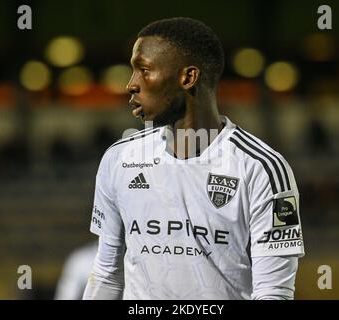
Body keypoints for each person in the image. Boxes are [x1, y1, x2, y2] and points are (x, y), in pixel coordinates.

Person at [83, 17, 304, 300]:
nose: (131, 85)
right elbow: (107, 275)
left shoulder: (261, 169)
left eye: (144, 70)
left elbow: (273, 293)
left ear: (188, 78)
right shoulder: (120, 159)